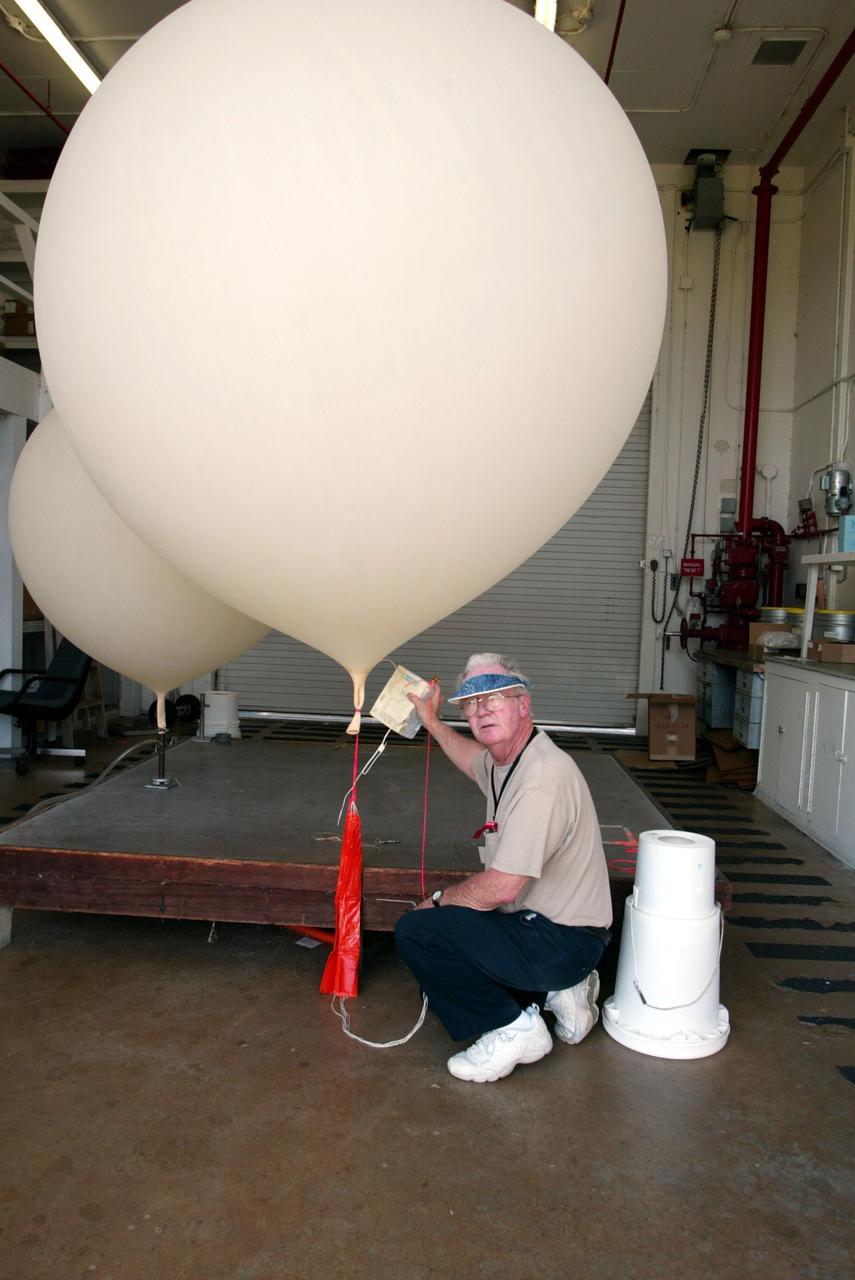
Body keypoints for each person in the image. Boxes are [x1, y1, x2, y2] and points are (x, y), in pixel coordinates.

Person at [395, 653, 612, 1083]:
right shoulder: (507, 760)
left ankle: (514, 1030)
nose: (480, 711)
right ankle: (559, 990)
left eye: (493, 698)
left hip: (560, 937)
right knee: (448, 963)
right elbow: (473, 760)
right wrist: (434, 721)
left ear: (523, 705)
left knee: (419, 934)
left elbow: (501, 888)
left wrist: (437, 902)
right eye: (471, 704)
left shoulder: (543, 778)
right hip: (546, 926)